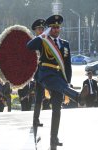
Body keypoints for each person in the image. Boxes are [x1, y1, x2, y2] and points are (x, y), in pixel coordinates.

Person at [27, 15, 88, 149]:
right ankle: (77, 97)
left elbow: (67, 66)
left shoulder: (64, 44)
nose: (56, 30)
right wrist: (43, 34)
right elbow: (29, 46)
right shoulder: (43, 41)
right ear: (49, 29)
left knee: (56, 108)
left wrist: (68, 82)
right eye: (53, 27)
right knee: (56, 85)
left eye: (57, 27)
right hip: (46, 74)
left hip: (60, 77)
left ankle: (53, 138)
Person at [31, 19, 46, 127]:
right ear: (35, 31)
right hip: (40, 73)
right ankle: (36, 119)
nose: (41, 30)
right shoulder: (34, 42)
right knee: (39, 97)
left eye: (42, 28)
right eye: (38, 29)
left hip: (50, 72)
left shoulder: (48, 40)